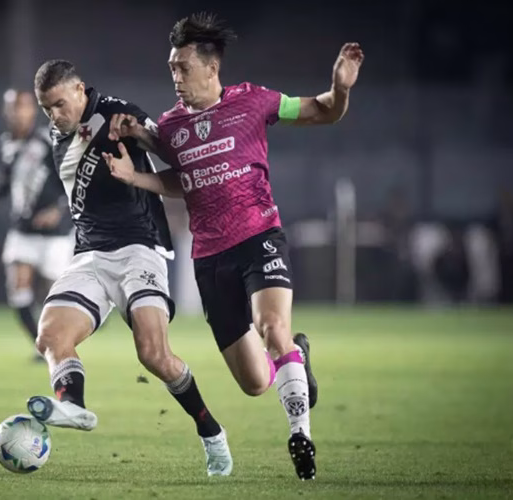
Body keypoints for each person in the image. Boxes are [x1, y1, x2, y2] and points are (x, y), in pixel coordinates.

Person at [103, 12, 364, 480]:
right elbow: (185, 180)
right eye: (171, 68)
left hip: (259, 238)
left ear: (211, 67)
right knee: (255, 382)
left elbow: (323, 110)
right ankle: (296, 357)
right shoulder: (171, 127)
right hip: (210, 259)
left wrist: (340, 89)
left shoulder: (254, 102)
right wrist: (134, 175)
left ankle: (301, 436)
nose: (175, 76)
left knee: (272, 328)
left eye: (183, 67)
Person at [24, 59, 233, 476]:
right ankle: (73, 406)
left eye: (60, 104)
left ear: (81, 89)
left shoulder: (119, 114)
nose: (54, 115)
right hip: (90, 254)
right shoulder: (57, 133)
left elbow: (179, 160)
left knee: (153, 354)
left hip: (140, 247)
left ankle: (211, 432)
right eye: (47, 108)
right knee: (49, 336)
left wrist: (140, 135)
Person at [0, 90, 74, 359]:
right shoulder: (4, 144)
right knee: (18, 288)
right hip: (23, 228)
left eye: (23, 107)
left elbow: (72, 177)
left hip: (55, 233)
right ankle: (42, 346)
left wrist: (58, 209)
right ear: (5, 112)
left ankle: (63, 336)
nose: (17, 113)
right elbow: (5, 180)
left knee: (53, 295)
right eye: (12, 108)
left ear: (33, 111)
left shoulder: (48, 141)